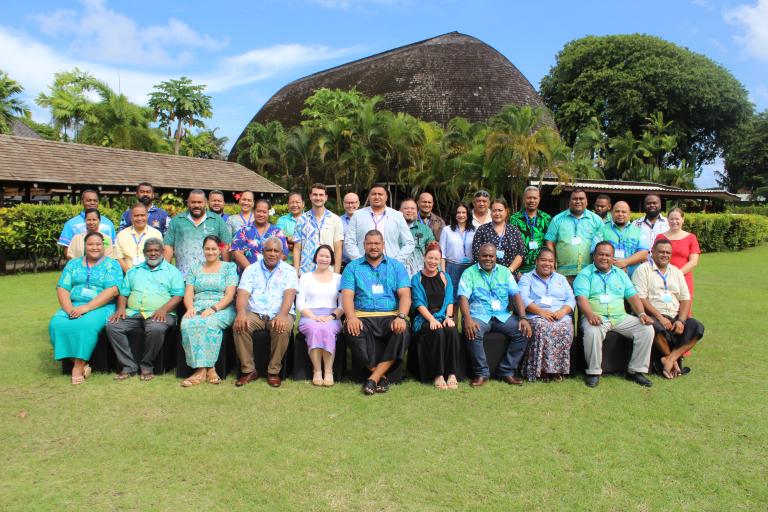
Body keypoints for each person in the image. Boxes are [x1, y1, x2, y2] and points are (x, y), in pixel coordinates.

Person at [573, 241, 655, 388]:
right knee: (593, 331)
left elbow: (632, 297)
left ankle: (635, 371)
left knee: (646, 329)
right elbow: (581, 298)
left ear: (613, 257)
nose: (604, 258)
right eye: (601, 254)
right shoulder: (585, 274)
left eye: (608, 255)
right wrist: (590, 314)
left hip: (620, 317)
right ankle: (593, 372)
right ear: (594, 256)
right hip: (596, 317)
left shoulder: (621, 274)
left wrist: (641, 313)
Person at [341, 230, 411, 395]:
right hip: (362, 316)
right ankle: (381, 376)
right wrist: (350, 317)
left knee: (403, 331)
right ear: (364, 245)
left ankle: (373, 378)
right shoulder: (352, 267)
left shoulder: (396, 266)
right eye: (370, 243)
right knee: (352, 331)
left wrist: (401, 317)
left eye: (377, 243)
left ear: (383, 245)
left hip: (391, 315)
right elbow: (347, 296)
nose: (373, 247)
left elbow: (405, 295)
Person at [107, 238, 185, 381]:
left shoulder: (173, 272)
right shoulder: (133, 271)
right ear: (144, 253)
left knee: (156, 328)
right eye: (149, 251)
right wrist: (121, 308)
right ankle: (129, 366)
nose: (153, 253)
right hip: (133, 313)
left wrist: (164, 309)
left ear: (162, 252)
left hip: (161, 314)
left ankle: (147, 365)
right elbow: (124, 293)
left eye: (156, 250)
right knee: (113, 325)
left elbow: (178, 296)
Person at [49, 232, 122, 384]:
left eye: (98, 244)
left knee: (86, 324)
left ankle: (77, 366)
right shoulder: (73, 264)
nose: (94, 247)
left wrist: (87, 307)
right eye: (90, 244)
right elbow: (62, 287)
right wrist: (69, 309)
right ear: (84, 246)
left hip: (101, 306)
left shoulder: (111, 264)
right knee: (56, 324)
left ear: (103, 246)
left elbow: (113, 290)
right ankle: (80, 362)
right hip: (74, 304)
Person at [458, 243, 532, 387]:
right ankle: (481, 373)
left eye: (491, 256)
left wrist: (523, 318)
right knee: (474, 332)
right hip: (479, 315)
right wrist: (467, 319)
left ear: (495, 257)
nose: (488, 259)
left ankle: (507, 371)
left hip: (502, 315)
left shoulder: (505, 272)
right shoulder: (469, 273)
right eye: (484, 255)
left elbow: (516, 295)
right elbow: (463, 297)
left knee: (523, 332)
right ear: (478, 256)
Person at [632, 239, 705, 379]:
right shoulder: (642, 270)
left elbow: (685, 298)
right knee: (653, 327)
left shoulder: (676, 272)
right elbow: (641, 298)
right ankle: (672, 361)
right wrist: (660, 317)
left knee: (697, 327)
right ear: (652, 252)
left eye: (668, 252)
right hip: (653, 314)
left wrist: (682, 321)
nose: (665, 255)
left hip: (675, 315)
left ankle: (671, 359)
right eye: (661, 252)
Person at [233, 237, 298, 388]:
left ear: (282, 254)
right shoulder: (251, 270)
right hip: (255, 312)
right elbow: (243, 293)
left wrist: (282, 315)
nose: (272, 254)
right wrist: (241, 312)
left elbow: (290, 295)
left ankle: (273, 372)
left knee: (282, 327)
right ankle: (249, 371)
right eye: (269, 250)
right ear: (262, 251)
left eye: (276, 251)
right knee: (239, 325)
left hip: (279, 312)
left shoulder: (288, 270)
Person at [179, 235, 238, 387]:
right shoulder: (194, 268)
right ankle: (207, 369)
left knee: (208, 323)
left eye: (213, 249)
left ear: (220, 250)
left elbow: (230, 295)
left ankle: (202, 371)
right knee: (187, 323)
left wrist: (213, 309)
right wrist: (190, 307)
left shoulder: (229, 268)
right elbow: (189, 293)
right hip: (198, 305)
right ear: (203, 250)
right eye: (207, 249)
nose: (210, 252)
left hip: (221, 307)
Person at [518, 248, 575, 382]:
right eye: (543, 260)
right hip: (536, 315)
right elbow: (523, 298)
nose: (547, 264)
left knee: (565, 327)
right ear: (536, 261)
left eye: (550, 261)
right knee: (542, 326)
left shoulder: (561, 279)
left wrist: (563, 311)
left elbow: (570, 299)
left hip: (559, 315)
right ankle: (541, 370)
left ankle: (556, 370)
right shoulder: (527, 278)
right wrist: (541, 312)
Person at [411, 242, 461, 389]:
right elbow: (419, 303)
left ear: (440, 261)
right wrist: (432, 319)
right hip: (424, 317)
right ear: (424, 258)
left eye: (436, 259)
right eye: (430, 258)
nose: (433, 262)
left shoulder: (445, 277)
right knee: (437, 331)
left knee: (451, 331)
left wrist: (448, 317)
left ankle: (451, 373)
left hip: (443, 315)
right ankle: (438, 374)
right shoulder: (416, 279)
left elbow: (449, 300)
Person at [296, 245, 344, 387]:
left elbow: (342, 305)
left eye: (327, 256)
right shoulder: (305, 277)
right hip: (309, 316)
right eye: (321, 255)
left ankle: (328, 372)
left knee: (327, 329)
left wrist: (330, 317)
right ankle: (317, 370)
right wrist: (314, 317)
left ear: (332, 259)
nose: (324, 259)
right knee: (315, 328)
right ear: (315, 257)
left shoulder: (339, 278)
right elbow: (300, 302)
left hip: (332, 317)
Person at [164, 189, 231, 278]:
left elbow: (225, 245)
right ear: (188, 203)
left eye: (200, 202)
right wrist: (165, 271)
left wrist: (225, 270)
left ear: (205, 203)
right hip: (183, 276)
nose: (196, 205)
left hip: (211, 277)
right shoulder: (177, 221)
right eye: (193, 202)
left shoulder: (217, 221)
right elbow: (168, 246)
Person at [343, 184, 414, 264]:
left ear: (386, 197)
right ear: (369, 197)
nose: (376, 197)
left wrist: (396, 261)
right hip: (364, 266)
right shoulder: (357, 215)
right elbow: (349, 241)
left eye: (380, 194)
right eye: (373, 194)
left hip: (390, 265)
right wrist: (359, 261)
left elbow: (409, 243)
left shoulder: (397, 216)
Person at [544, 188, 604, 282]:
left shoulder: (596, 220)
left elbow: (602, 245)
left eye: (581, 198)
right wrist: (552, 266)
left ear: (586, 201)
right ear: (569, 201)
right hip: (563, 274)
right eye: (575, 199)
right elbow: (549, 243)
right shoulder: (557, 220)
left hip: (590, 274)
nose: (578, 201)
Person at [293, 183, 344, 275]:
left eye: (321, 195)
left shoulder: (335, 219)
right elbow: (297, 248)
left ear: (326, 197)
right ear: (310, 196)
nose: (318, 198)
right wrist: (296, 273)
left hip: (328, 272)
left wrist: (336, 274)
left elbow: (338, 249)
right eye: (315, 195)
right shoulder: (301, 219)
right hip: (306, 272)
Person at [655, 208, 700, 307]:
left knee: (684, 310)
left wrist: (676, 275)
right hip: (662, 279)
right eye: (671, 219)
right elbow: (654, 258)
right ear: (667, 220)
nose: (674, 221)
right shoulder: (660, 237)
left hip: (684, 279)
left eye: (677, 219)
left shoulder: (691, 238)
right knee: (664, 307)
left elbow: (693, 262)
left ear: (683, 219)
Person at [590, 201, 649, 277]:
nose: (620, 214)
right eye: (617, 211)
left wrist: (625, 262)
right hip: (608, 277)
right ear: (611, 213)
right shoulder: (602, 230)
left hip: (634, 277)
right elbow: (595, 252)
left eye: (624, 212)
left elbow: (644, 253)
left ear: (629, 214)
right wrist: (615, 266)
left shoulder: (638, 231)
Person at [230, 198, 289, 270]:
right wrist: (252, 271)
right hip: (248, 274)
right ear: (253, 211)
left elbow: (284, 253)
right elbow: (237, 252)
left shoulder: (277, 232)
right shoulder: (244, 230)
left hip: (271, 274)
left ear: (268, 213)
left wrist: (268, 270)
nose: (261, 214)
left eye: (264, 212)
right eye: (258, 211)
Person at [471, 198, 525, 274]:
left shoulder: (514, 230)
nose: (497, 213)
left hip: (509, 275)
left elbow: (521, 252)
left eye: (500, 210)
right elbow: (476, 253)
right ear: (490, 212)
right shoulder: (482, 230)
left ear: (506, 211)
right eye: (494, 210)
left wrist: (509, 270)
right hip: (487, 275)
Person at [58, 189, 116, 259]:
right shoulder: (71, 224)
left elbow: (113, 248)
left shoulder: (108, 223)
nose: (92, 203)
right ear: (82, 202)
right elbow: (67, 250)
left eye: (95, 201)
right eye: (89, 200)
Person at [509, 186, 552, 274]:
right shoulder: (514, 219)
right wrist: (516, 271)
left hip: (542, 269)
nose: (532, 200)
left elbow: (549, 243)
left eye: (534, 198)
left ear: (539, 199)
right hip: (520, 269)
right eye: (529, 198)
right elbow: (511, 246)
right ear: (524, 199)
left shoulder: (546, 218)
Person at [439, 202, 476, 304]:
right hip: (452, 267)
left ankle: (467, 320)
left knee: (469, 297)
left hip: (470, 267)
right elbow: (442, 253)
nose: (461, 215)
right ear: (454, 215)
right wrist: (442, 272)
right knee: (452, 298)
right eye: (458, 212)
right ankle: (453, 319)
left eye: (464, 212)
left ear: (468, 214)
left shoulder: (475, 230)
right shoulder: (447, 230)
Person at [114, 203, 163, 272]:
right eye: (136, 216)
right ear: (131, 217)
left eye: (142, 215)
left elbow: (160, 257)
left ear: (147, 216)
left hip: (151, 275)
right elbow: (118, 257)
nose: (139, 218)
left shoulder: (156, 234)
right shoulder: (122, 235)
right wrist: (130, 273)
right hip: (128, 275)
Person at [401, 198, 435, 277]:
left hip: (420, 274)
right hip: (398, 272)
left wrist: (438, 272)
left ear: (417, 211)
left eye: (412, 208)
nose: (409, 210)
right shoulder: (393, 228)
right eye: (406, 208)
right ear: (399, 211)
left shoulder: (426, 230)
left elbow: (433, 251)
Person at [276, 192, 305, 265]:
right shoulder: (282, 220)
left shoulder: (309, 219)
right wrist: (300, 242)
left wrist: (290, 240)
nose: (295, 205)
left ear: (303, 204)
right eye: (291, 202)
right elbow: (279, 238)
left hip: (305, 263)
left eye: (297, 202)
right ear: (288, 205)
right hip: (286, 262)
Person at [340, 191, 360, 265]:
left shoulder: (365, 220)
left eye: (353, 202)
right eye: (348, 203)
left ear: (358, 204)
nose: (350, 205)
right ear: (344, 204)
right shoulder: (338, 221)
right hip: (345, 263)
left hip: (364, 262)